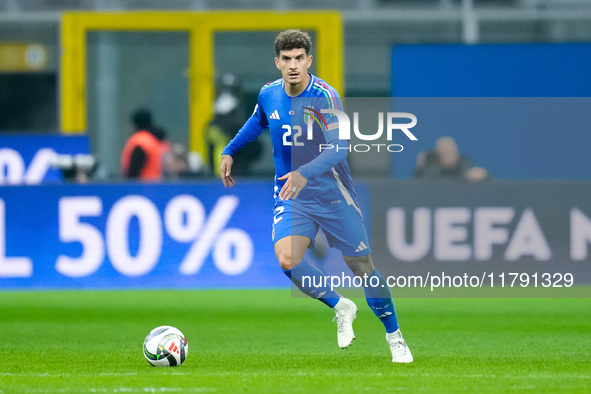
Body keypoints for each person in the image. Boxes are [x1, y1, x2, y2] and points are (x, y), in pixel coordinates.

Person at [219, 29, 413, 363]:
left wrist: (305, 171)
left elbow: (340, 147)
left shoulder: (326, 96)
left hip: (332, 192)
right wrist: (230, 150)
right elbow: (257, 123)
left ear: (309, 60)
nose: (293, 65)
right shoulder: (268, 94)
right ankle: (341, 306)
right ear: (277, 62)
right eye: (287, 59)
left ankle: (395, 337)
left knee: (363, 268)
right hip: (293, 193)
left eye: (299, 58)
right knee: (286, 259)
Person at [205, 74, 262, 176]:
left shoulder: (243, 122)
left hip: (237, 176)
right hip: (225, 176)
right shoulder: (215, 126)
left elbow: (254, 150)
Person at [121, 108, 169, 181]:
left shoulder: (141, 141)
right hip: (159, 185)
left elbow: (133, 172)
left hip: (143, 188)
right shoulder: (159, 141)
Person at [414, 136, 489, 182]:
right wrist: (420, 168)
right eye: (445, 151)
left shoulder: (465, 165)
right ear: (438, 154)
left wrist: (483, 176)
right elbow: (416, 185)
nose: (449, 154)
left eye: (451, 151)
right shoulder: (431, 170)